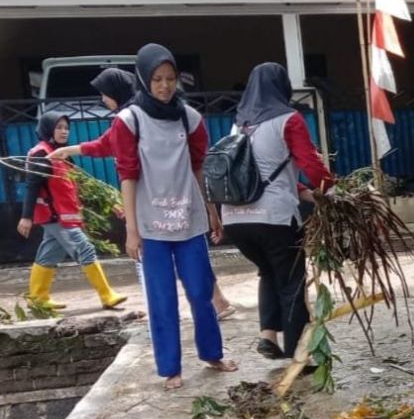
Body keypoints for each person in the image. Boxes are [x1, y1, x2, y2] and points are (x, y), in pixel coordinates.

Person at [51, 68, 237, 321]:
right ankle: (215, 302)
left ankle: (207, 307)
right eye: (158, 80)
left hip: (161, 203)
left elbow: (193, 164)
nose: (103, 100)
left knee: (182, 263)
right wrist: (70, 150)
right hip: (165, 204)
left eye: (104, 95)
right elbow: (106, 145)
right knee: (187, 262)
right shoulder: (130, 118)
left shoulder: (143, 119)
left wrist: (133, 227)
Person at [110, 43, 237, 389]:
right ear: (143, 79)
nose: (165, 86)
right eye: (157, 79)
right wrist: (132, 231)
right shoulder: (129, 120)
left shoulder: (190, 118)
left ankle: (212, 353)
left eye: (171, 78)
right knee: (162, 298)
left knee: (200, 290)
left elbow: (200, 168)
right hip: (151, 227)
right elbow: (127, 174)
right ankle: (170, 368)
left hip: (190, 220)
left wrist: (212, 212)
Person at [221, 62, 333, 360]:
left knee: (269, 272)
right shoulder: (289, 119)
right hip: (274, 219)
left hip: (235, 220)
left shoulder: (240, 123)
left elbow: (260, 173)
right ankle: (301, 353)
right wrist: (331, 189)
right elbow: (309, 163)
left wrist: (305, 192)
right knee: (292, 283)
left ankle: (268, 336)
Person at [18, 113, 127, 311]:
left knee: (48, 255)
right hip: (55, 215)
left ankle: (38, 299)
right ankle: (106, 295)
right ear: (48, 128)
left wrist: (111, 204)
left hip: (65, 214)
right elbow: (32, 187)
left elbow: (83, 184)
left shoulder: (63, 153)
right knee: (85, 249)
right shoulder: (41, 153)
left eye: (66, 127)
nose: (64, 131)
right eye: (59, 127)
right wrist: (26, 217)